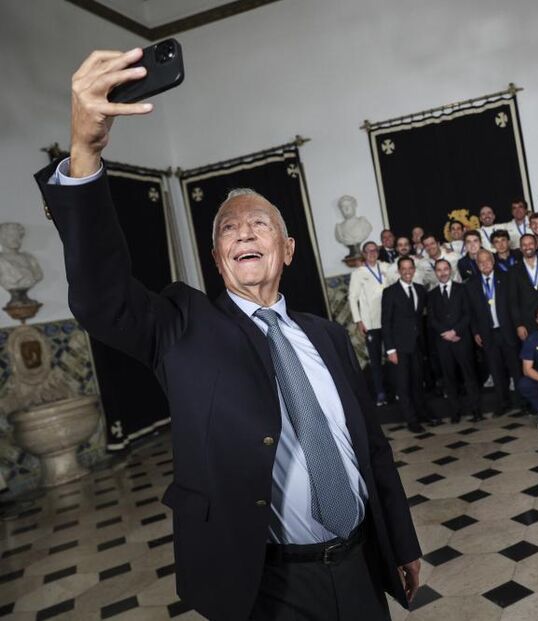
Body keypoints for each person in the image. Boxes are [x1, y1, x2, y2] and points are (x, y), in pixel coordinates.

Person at [44, 48, 420, 621]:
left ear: (287, 249)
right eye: (228, 228)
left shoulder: (327, 336)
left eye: (259, 223)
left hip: (361, 562)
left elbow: (371, 447)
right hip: (268, 586)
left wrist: (400, 543)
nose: (243, 230)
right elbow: (103, 299)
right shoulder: (184, 328)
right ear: (219, 257)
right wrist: (85, 153)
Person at [382, 257, 440, 431]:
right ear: (399, 271)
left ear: (414, 269)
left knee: (417, 381)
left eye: (410, 268)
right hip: (399, 347)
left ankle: (422, 413)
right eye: (404, 268)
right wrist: (390, 349)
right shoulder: (390, 292)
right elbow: (386, 322)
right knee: (404, 384)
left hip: (417, 345)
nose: (407, 271)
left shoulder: (421, 290)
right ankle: (411, 420)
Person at [466, 249, 523, 416]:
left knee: (515, 369)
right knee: (496, 371)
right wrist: (475, 332)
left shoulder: (505, 278)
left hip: (508, 331)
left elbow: (514, 304)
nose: (484, 264)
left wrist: (518, 325)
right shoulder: (471, 284)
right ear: (477, 265)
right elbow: (471, 312)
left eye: (487, 260)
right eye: (481, 262)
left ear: (493, 261)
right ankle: (503, 403)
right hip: (487, 333)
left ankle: (523, 403)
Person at [427, 259, 481, 422]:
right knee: (449, 378)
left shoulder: (462, 289)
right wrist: (446, 333)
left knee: (469, 376)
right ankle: (455, 412)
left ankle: (476, 410)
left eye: (445, 269)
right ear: (435, 272)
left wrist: (455, 331)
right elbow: (432, 319)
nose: (443, 273)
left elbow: (467, 314)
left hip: (461, 338)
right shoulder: (432, 294)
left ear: (450, 270)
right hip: (443, 342)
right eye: (439, 270)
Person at [348, 241, 397, 406]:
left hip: (389, 320)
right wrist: (358, 321)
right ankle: (381, 393)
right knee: (375, 361)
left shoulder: (386, 267)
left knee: (393, 357)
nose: (372, 253)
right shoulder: (359, 272)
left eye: (374, 250)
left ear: (378, 251)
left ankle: (397, 390)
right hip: (371, 323)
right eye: (368, 251)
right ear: (363, 253)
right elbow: (352, 298)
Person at [509, 233, 538, 343]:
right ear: (520, 248)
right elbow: (513, 301)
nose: (527, 247)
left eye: (530, 244)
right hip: (527, 323)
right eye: (524, 245)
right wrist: (519, 325)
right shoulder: (513, 270)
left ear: (536, 245)